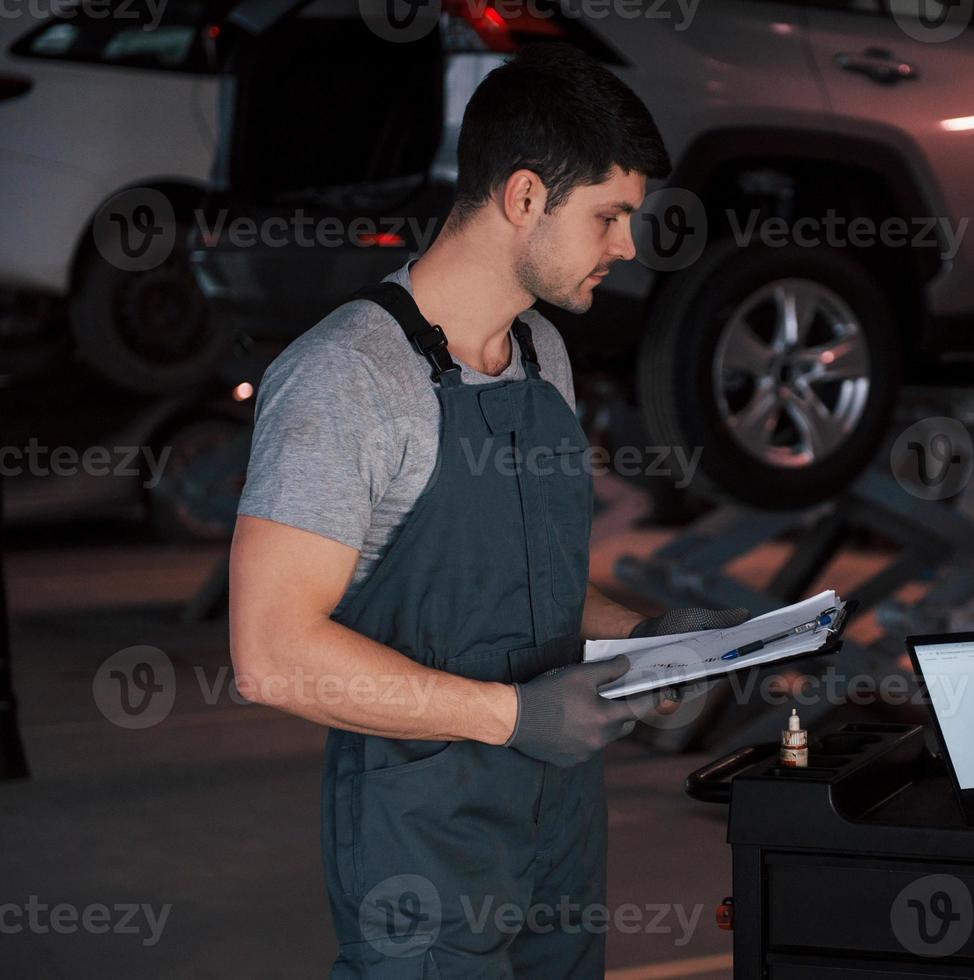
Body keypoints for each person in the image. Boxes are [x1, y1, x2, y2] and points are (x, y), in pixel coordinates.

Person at [228, 44, 744, 978]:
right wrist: (512, 716)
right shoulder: (345, 380)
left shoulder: (544, 355)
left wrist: (648, 638)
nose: (628, 247)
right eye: (610, 216)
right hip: (422, 841)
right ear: (523, 199)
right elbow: (272, 656)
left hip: (559, 827)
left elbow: (519, 577)